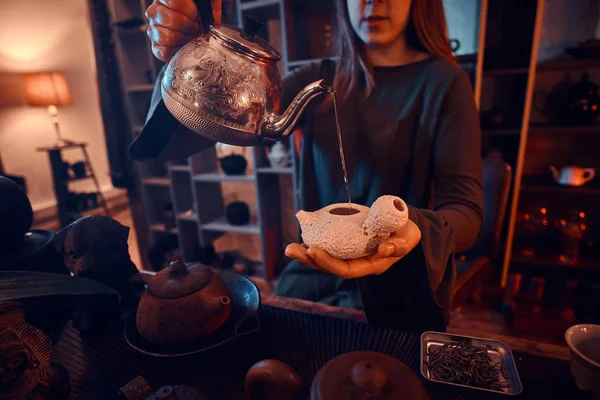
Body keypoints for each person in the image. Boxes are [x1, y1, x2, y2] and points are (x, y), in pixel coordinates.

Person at [130, 0, 483, 333]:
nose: (373, 1)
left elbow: (466, 213)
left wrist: (413, 228)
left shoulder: (445, 83)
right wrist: (187, 62)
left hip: (394, 277)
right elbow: (172, 144)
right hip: (311, 270)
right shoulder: (320, 78)